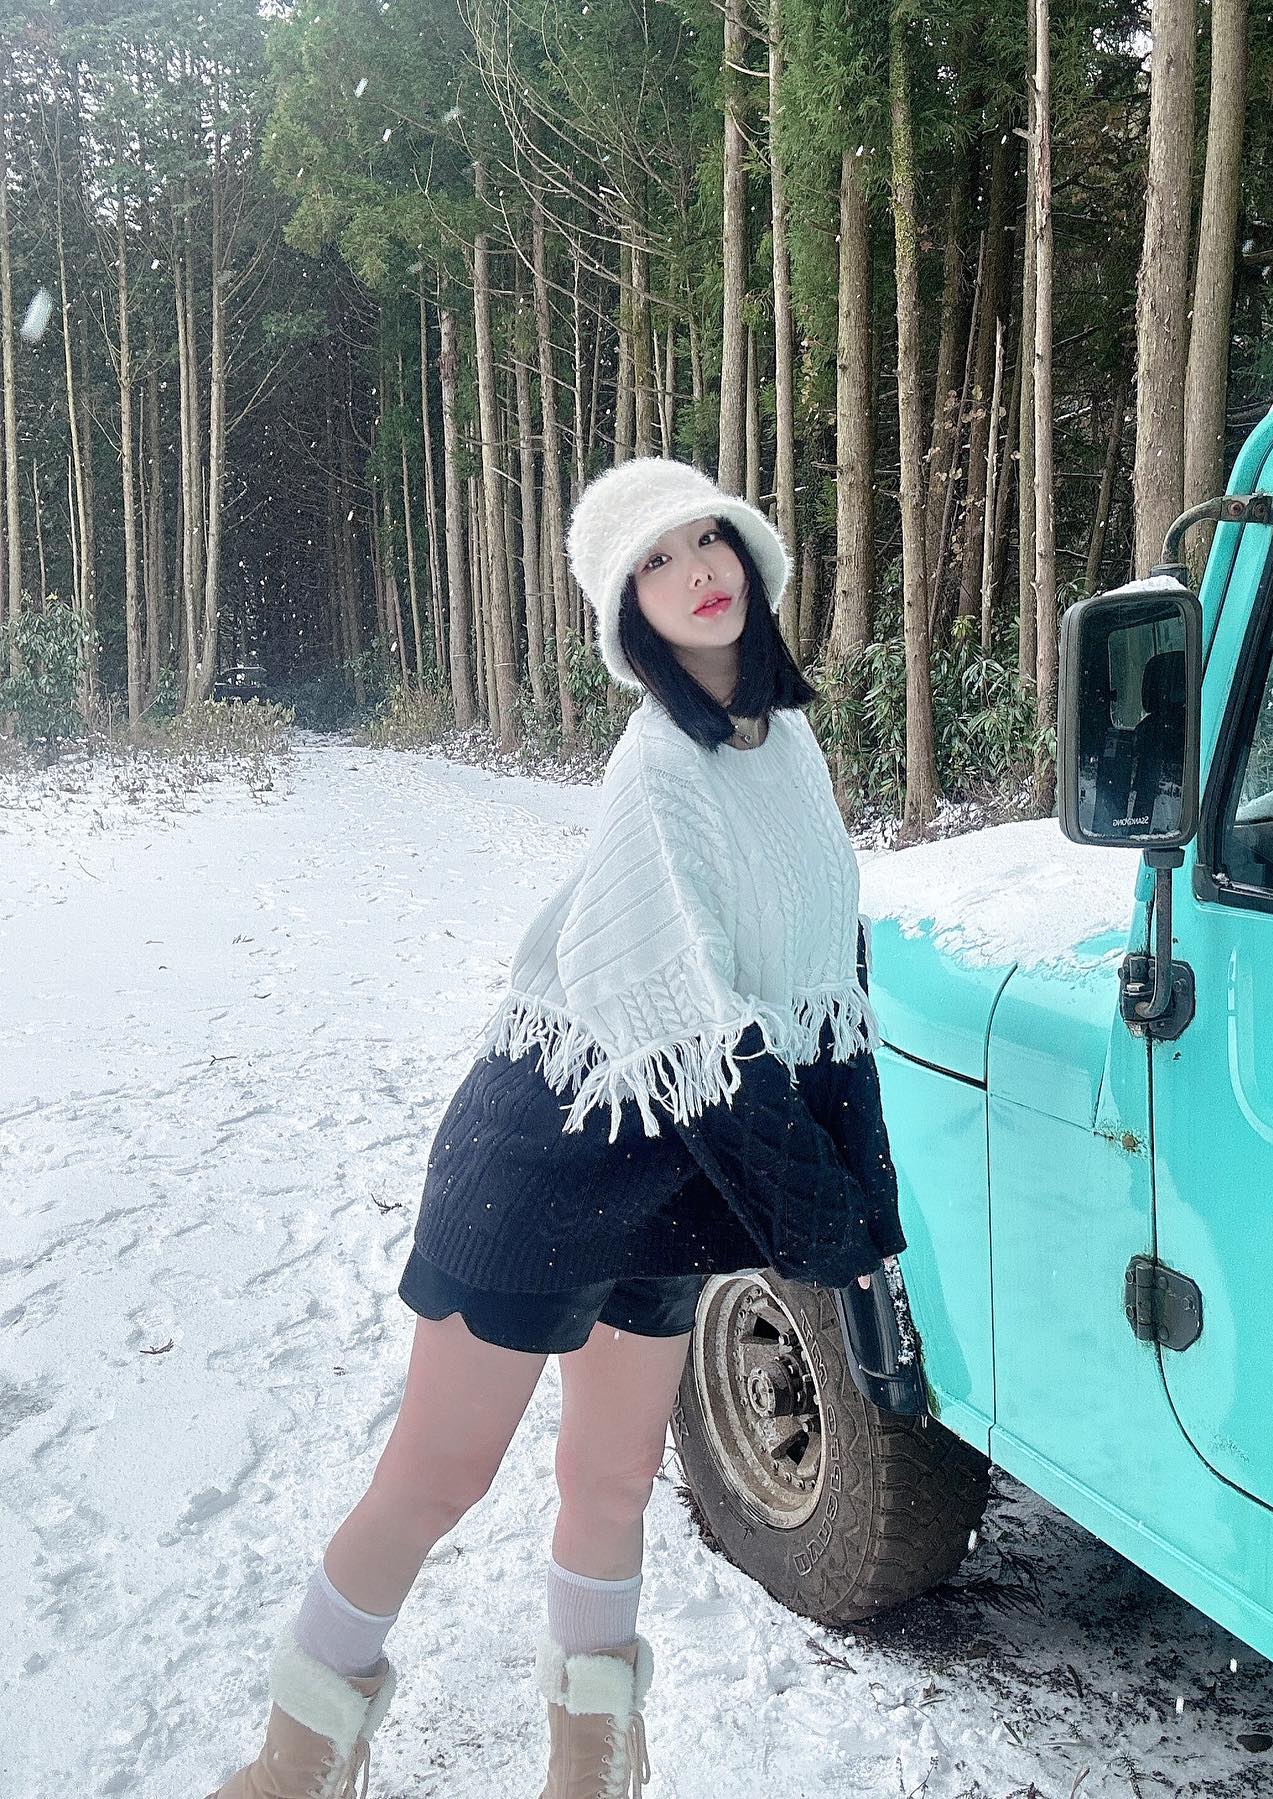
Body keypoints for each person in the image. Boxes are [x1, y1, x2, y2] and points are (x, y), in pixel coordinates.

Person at [204, 455, 907, 1799]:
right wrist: (826, 1224)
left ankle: (595, 1766)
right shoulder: (659, 766)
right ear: (630, 612)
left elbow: (825, 987)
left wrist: (862, 1215)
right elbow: (691, 1021)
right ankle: (295, 1761)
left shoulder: (791, 749)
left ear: (750, 561)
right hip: (549, 1153)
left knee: (613, 1481)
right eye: (657, 562)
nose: (696, 572)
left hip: (672, 1176)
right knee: (439, 1475)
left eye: (708, 541)